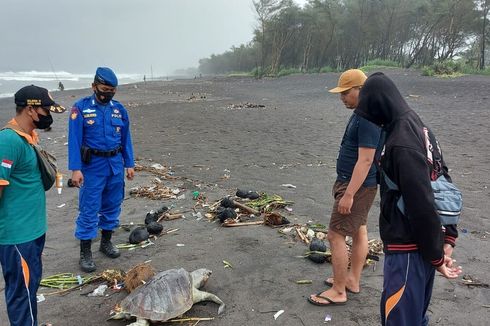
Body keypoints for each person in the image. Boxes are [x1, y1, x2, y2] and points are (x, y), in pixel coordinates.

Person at [354, 72, 462, 325]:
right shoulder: (419, 127)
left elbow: (421, 202)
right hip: (423, 246)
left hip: (408, 248)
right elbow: (442, 179)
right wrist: (448, 236)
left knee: (399, 319)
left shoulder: (400, 141)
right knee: (415, 318)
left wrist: (437, 255)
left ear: (381, 106)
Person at [308, 69, 382, 306]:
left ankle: (339, 291)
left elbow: (366, 159)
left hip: (357, 186)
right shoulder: (361, 112)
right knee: (359, 230)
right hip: (356, 184)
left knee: (335, 235)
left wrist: (349, 194)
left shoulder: (369, 117)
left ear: (360, 90)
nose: (342, 98)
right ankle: (351, 280)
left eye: (346, 93)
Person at [0, 85, 65, 325]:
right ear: (30, 109)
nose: (48, 114)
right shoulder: (8, 141)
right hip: (17, 236)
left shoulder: (28, 137)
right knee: (21, 294)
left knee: (29, 288)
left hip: (34, 231)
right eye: (45, 109)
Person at [68, 67, 135, 272]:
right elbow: (74, 140)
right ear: (94, 86)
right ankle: (85, 252)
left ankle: (106, 243)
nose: (108, 93)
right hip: (92, 168)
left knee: (112, 206)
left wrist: (129, 163)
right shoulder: (80, 108)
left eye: (112, 90)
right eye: (105, 88)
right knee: (89, 209)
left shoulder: (119, 110)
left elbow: (126, 139)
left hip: (114, 165)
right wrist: (75, 169)